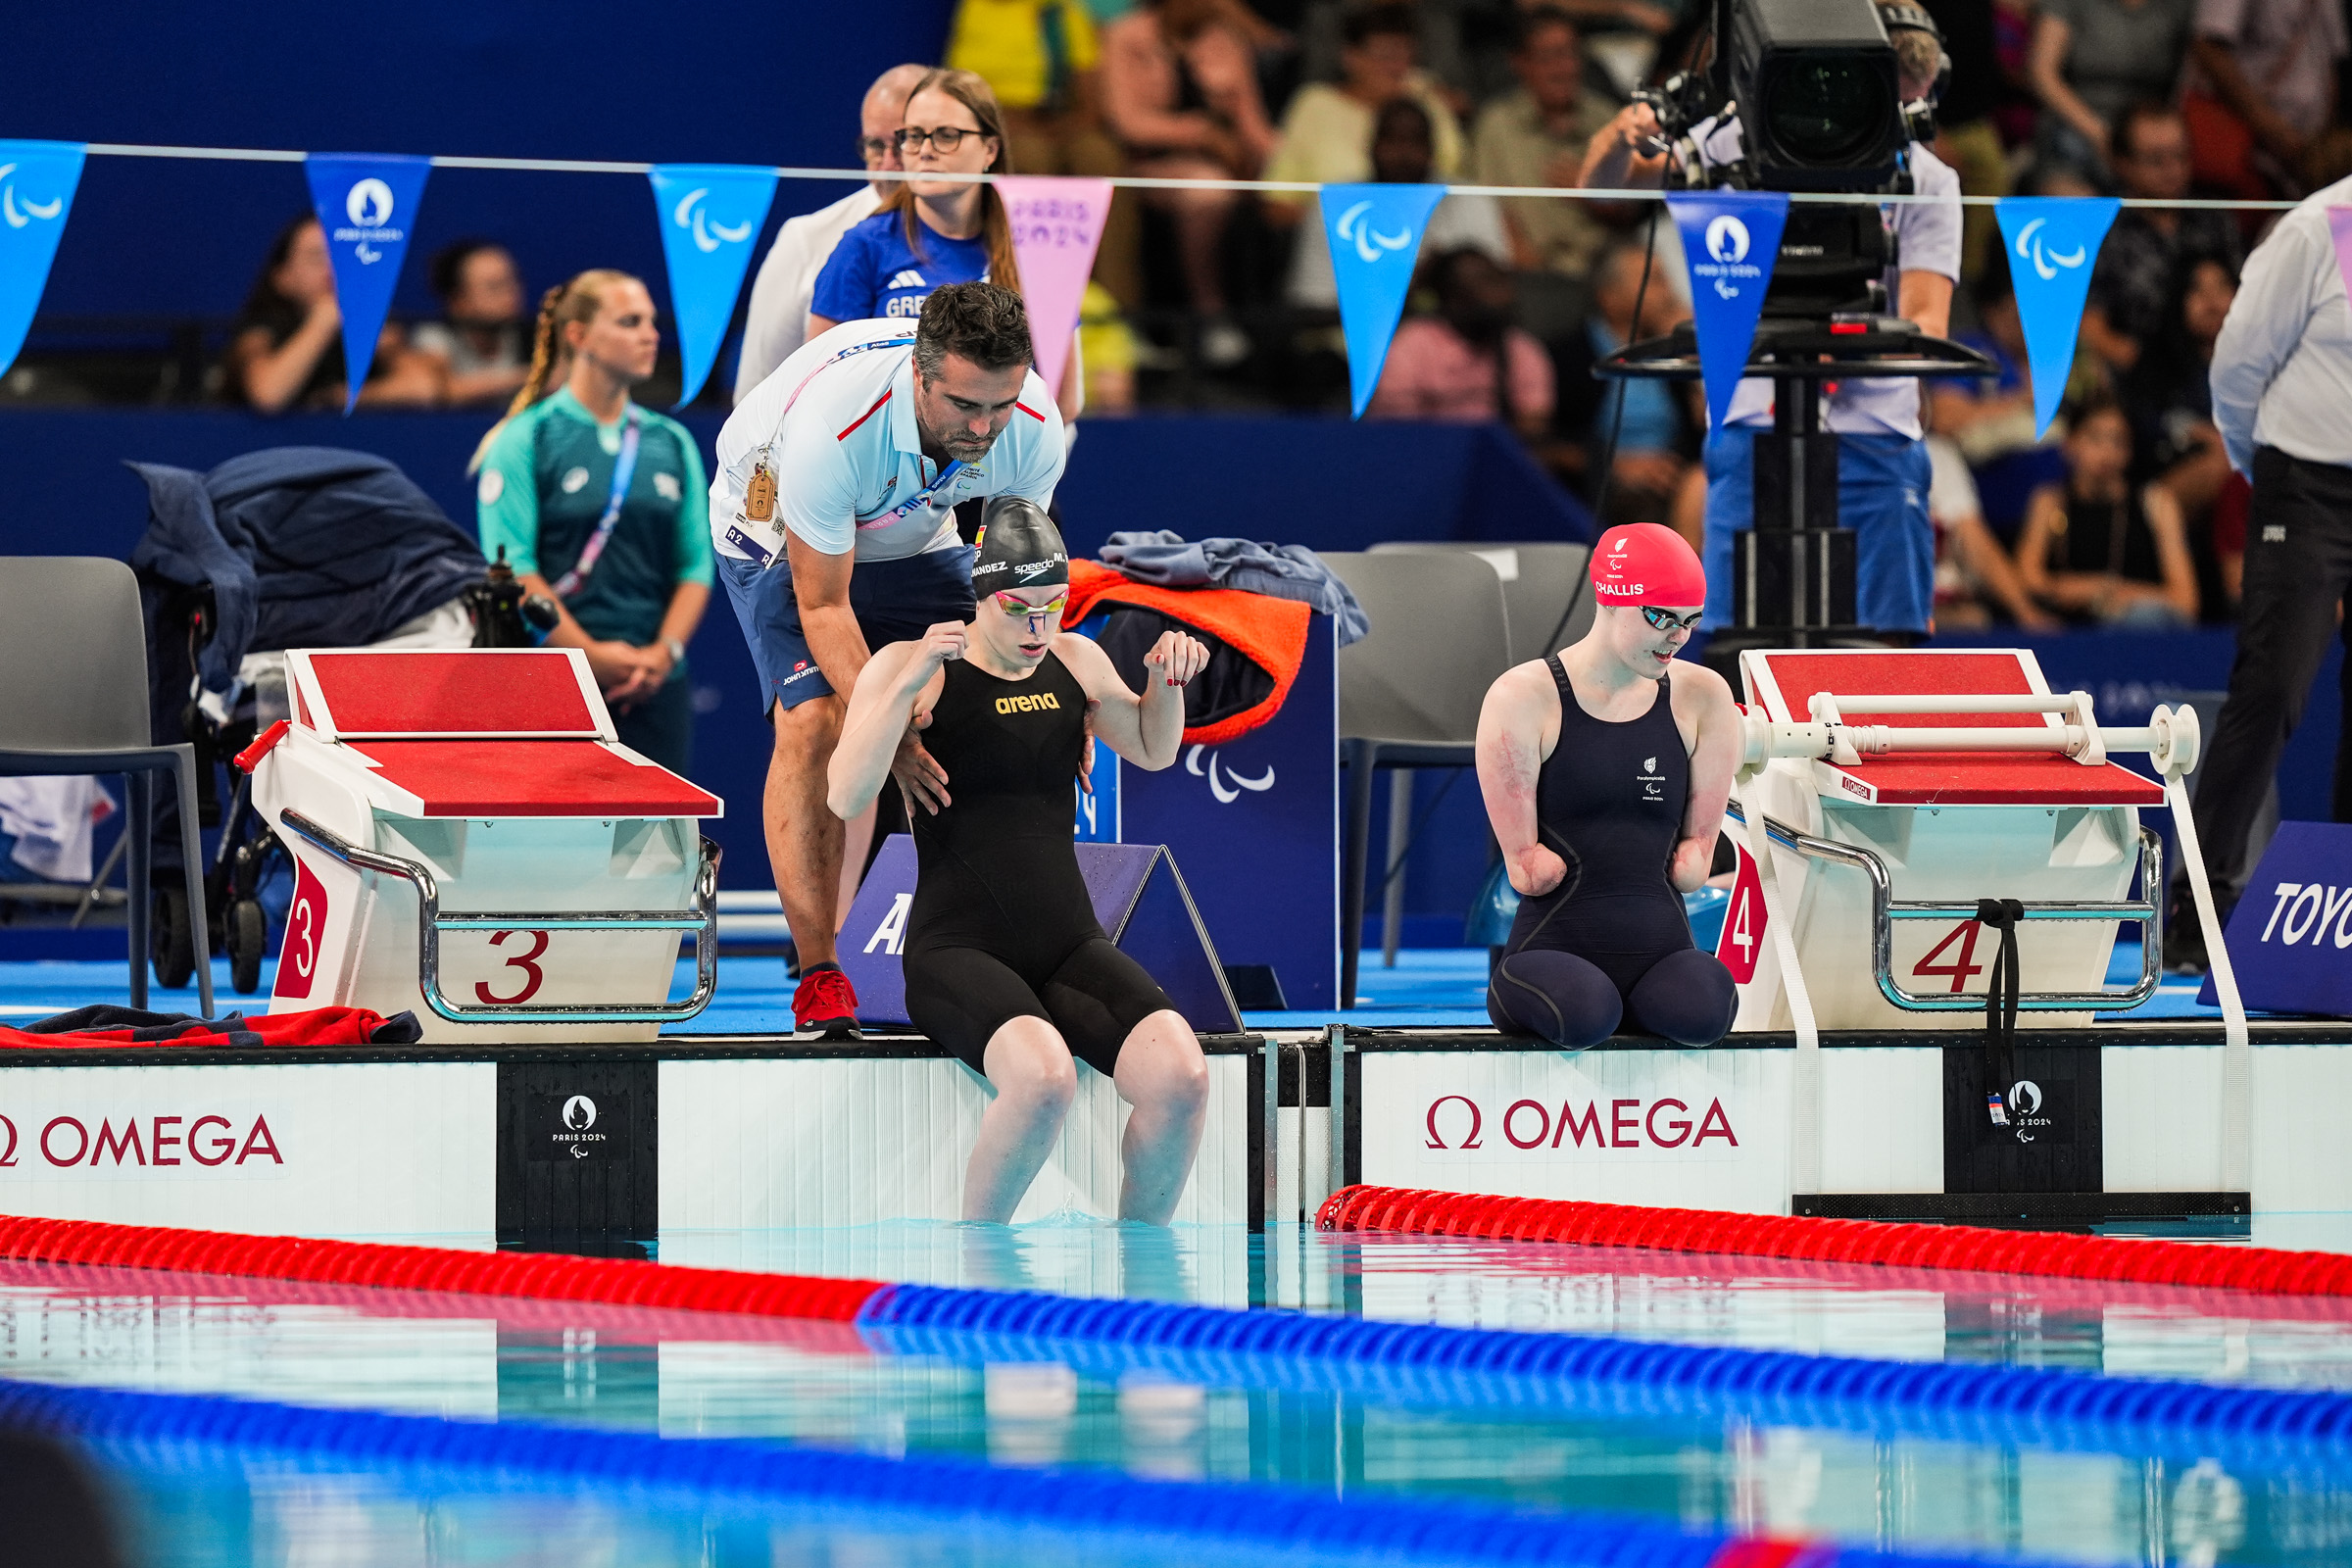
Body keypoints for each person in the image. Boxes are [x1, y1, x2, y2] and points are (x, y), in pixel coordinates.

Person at [825, 498, 1211, 1222]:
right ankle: (981, 1265)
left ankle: (1142, 1264)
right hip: (956, 950)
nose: (1039, 628)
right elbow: (845, 795)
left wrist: (1167, 684)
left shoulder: (1076, 659)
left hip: (1068, 946)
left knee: (1182, 1077)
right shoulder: (914, 666)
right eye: (1019, 609)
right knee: (1042, 1081)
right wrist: (906, 688)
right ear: (980, 595)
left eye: (1053, 607)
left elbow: (1153, 749)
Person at [710, 282, 1066, 1038]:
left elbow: (1014, 584)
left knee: (994, 695)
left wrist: (1051, 700)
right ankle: (820, 972)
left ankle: (993, 936)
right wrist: (892, 730)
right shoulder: (832, 432)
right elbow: (824, 607)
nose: (984, 427)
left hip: (912, 529)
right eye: (964, 406)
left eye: (999, 405)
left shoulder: (1033, 426)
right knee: (817, 722)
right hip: (774, 527)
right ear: (919, 377)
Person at [1582, 0, 1961, 639]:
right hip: (1750, 425)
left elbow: (1927, 320)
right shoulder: (1736, 140)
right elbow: (1604, 183)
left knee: (1887, 651)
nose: (1901, 116)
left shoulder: (1927, 179)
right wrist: (1629, 129)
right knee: (1740, 643)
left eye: (1915, 100)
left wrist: (1832, 347)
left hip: (1877, 435)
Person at [2166, 165, 2352, 969]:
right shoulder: (2319, 229)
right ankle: (2199, 907)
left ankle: (2345, 908)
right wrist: (2261, 467)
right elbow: (2237, 366)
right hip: (2306, 486)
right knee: (2274, 685)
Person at [1475, 522, 1740, 1050]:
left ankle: (1637, 1003)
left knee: (1705, 1010)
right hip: (1552, 951)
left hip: (1662, 951)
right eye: (1662, 617)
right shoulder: (1524, 696)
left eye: (1691, 621)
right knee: (1586, 1013)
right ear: (1610, 600)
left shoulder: (1703, 696)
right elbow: (1527, 870)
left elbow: (1694, 863)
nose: (1679, 637)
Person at [472, 271, 712, 773]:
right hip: (554, 683)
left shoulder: (671, 441)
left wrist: (663, 655)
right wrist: (590, 656)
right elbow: (513, 568)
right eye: (629, 322)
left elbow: (695, 566)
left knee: (662, 826)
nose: (650, 335)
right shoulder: (525, 438)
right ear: (579, 335)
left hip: (655, 687)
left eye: (651, 321)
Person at [809, 68, 1083, 422]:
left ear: (990, 149)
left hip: (998, 449)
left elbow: (1064, 402)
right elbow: (818, 387)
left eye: (946, 136)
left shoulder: (1036, 249)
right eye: (913, 136)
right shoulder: (864, 246)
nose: (925, 150)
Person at [736, 64, 929, 403]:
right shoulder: (807, 238)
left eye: (902, 142)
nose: (887, 165)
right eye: (875, 146)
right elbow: (755, 393)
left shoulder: (997, 238)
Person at [1100, 0, 1279, 361]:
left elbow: (1253, 125)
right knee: (1208, 191)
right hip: (1142, 166)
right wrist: (1204, 134)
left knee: (1268, 194)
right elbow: (1126, 122)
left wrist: (1295, 161)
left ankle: (1281, 325)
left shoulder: (1224, 39)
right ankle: (1209, 312)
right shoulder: (1125, 37)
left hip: (1221, 165)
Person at [947, 0, 1138, 305]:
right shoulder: (978, 10)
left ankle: (1116, 308)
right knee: (1034, 159)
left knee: (1100, 158)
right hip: (1005, 125)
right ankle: (1040, 304)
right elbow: (965, 96)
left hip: (1061, 121)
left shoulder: (1064, 12)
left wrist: (1065, 125)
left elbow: (1089, 96)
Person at [1286, 95, 1506, 309]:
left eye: (1414, 142)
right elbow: (1310, 306)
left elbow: (1497, 297)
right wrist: (1407, 287)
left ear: (1432, 150)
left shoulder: (1470, 200)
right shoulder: (1335, 204)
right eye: (1392, 141)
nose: (1403, 154)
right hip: (1348, 333)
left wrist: (1446, 272)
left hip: (1453, 331)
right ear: (1370, 146)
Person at [1262, 6, 1464, 228]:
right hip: (1331, 236)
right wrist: (1339, 219)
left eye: (1405, 56)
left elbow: (1454, 179)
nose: (1396, 68)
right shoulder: (1314, 105)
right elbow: (1277, 201)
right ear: (1350, 57)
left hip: (1428, 231)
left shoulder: (1426, 100)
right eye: (1385, 56)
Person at [2081, 103, 2241, 377]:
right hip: (2142, 378)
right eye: (2156, 160)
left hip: (2225, 367)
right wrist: (2156, 373)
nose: (2172, 169)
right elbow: (2090, 327)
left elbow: (2247, 300)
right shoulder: (2101, 230)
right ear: (2122, 163)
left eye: (2181, 156)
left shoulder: (2215, 218)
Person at [2011, 391, 2197, 628]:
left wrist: (2112, 592)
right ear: (2069, 444)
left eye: (2118, 442)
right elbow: (2028, 580)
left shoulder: (2157, 503)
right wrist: (2091, 589)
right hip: (2066, 631)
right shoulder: (2050, 502)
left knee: (2145, 617)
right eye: (2095, 438)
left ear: (2130, 452)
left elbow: (2185, 601)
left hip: (2137, 632)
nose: (2107, 453)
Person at [1549, 238, 1699, 526]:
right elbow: (1546, 446)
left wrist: (1692, 355)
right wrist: (1614, 465)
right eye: (1654, 281)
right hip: (1594, 490)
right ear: (1609, 296)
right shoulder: (1566, 356)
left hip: (1673, 483)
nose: (1668, 293)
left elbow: (1702, 430)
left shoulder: (1672, 353)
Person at [227, 215, 441, 414]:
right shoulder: (259, 332)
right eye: (316, 257)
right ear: (282, 277)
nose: (331, 269)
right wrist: (322, 324)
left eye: (341, 256)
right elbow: (268, 395)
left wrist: (340, 397)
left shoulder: (369, 325)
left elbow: (424, 389)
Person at [1466, 7, 1617, 282]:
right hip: (1529, 276)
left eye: (1570, 54)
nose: (1564, 68)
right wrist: (1530, 276)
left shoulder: (1608, 120)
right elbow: (1488, 210)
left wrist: (1594, 194)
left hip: (1606, 274)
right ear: (1519, 63)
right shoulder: (1496, 126)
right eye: (1549, 57)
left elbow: (1637, 214)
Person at [1367, 247, 1552, 442]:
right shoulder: (1412, 344)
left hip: (1495, 452)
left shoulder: (1520, 348)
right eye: (1486, 282)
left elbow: (1534, 423)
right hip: (1424, 450)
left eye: (1501, 281)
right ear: (1453, 297)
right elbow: (1396, 426)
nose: (1503, 293)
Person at [2181, 0, 2347, 203]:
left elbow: (2333, 60)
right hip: (2250, 145)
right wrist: (2276, 131)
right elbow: (2208, 46)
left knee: (2325, 217)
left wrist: (2324, 143)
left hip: (2311, 151)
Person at [2027, 0, 2195, 181]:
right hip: (2079, 123)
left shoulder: (2180, 6)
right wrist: (2101, 135)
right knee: (2068, 178)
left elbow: (2187, 77)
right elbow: (2042, 73)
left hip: (2148, 128)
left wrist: (2157, 131)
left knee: (2163, 161)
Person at [412, 240, 530, 409]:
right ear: (458, 300)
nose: (511, 294)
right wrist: (532, 375)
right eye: (494, 286)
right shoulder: (434, 337)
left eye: (513, 281)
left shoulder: (535, 336)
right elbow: (443, 390)